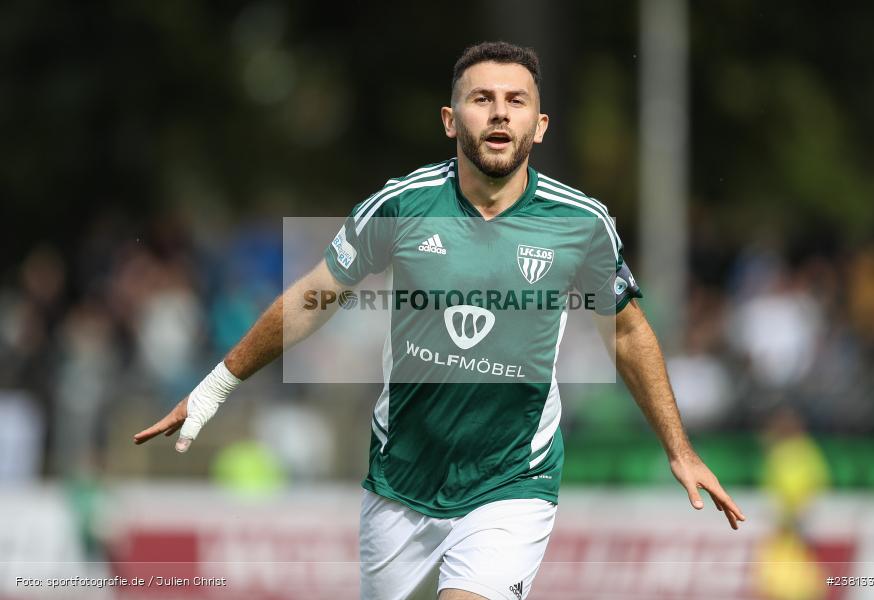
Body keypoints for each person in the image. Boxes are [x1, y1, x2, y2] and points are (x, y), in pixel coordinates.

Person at [134, 41, 745, 600]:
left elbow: (627, 330)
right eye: (482, 100)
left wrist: (679, 448)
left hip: (513, 477)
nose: (500, 114)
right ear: (452, 121)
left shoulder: (581, 223)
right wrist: (215, 386)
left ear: (540, 124)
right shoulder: (401, 205)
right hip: (401, 479)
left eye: (516, 101)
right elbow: (313, 298)